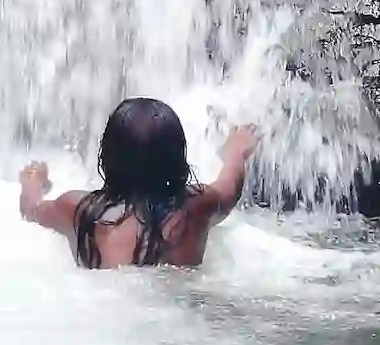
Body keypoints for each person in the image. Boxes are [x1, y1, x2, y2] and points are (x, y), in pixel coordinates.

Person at [19, 99, 258, 269]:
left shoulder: (76, 209)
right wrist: (236, 153)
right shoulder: (194, 208)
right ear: (177, 158)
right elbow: (230, 188)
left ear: (107, 156)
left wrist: (32, 183)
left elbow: (32, 210)